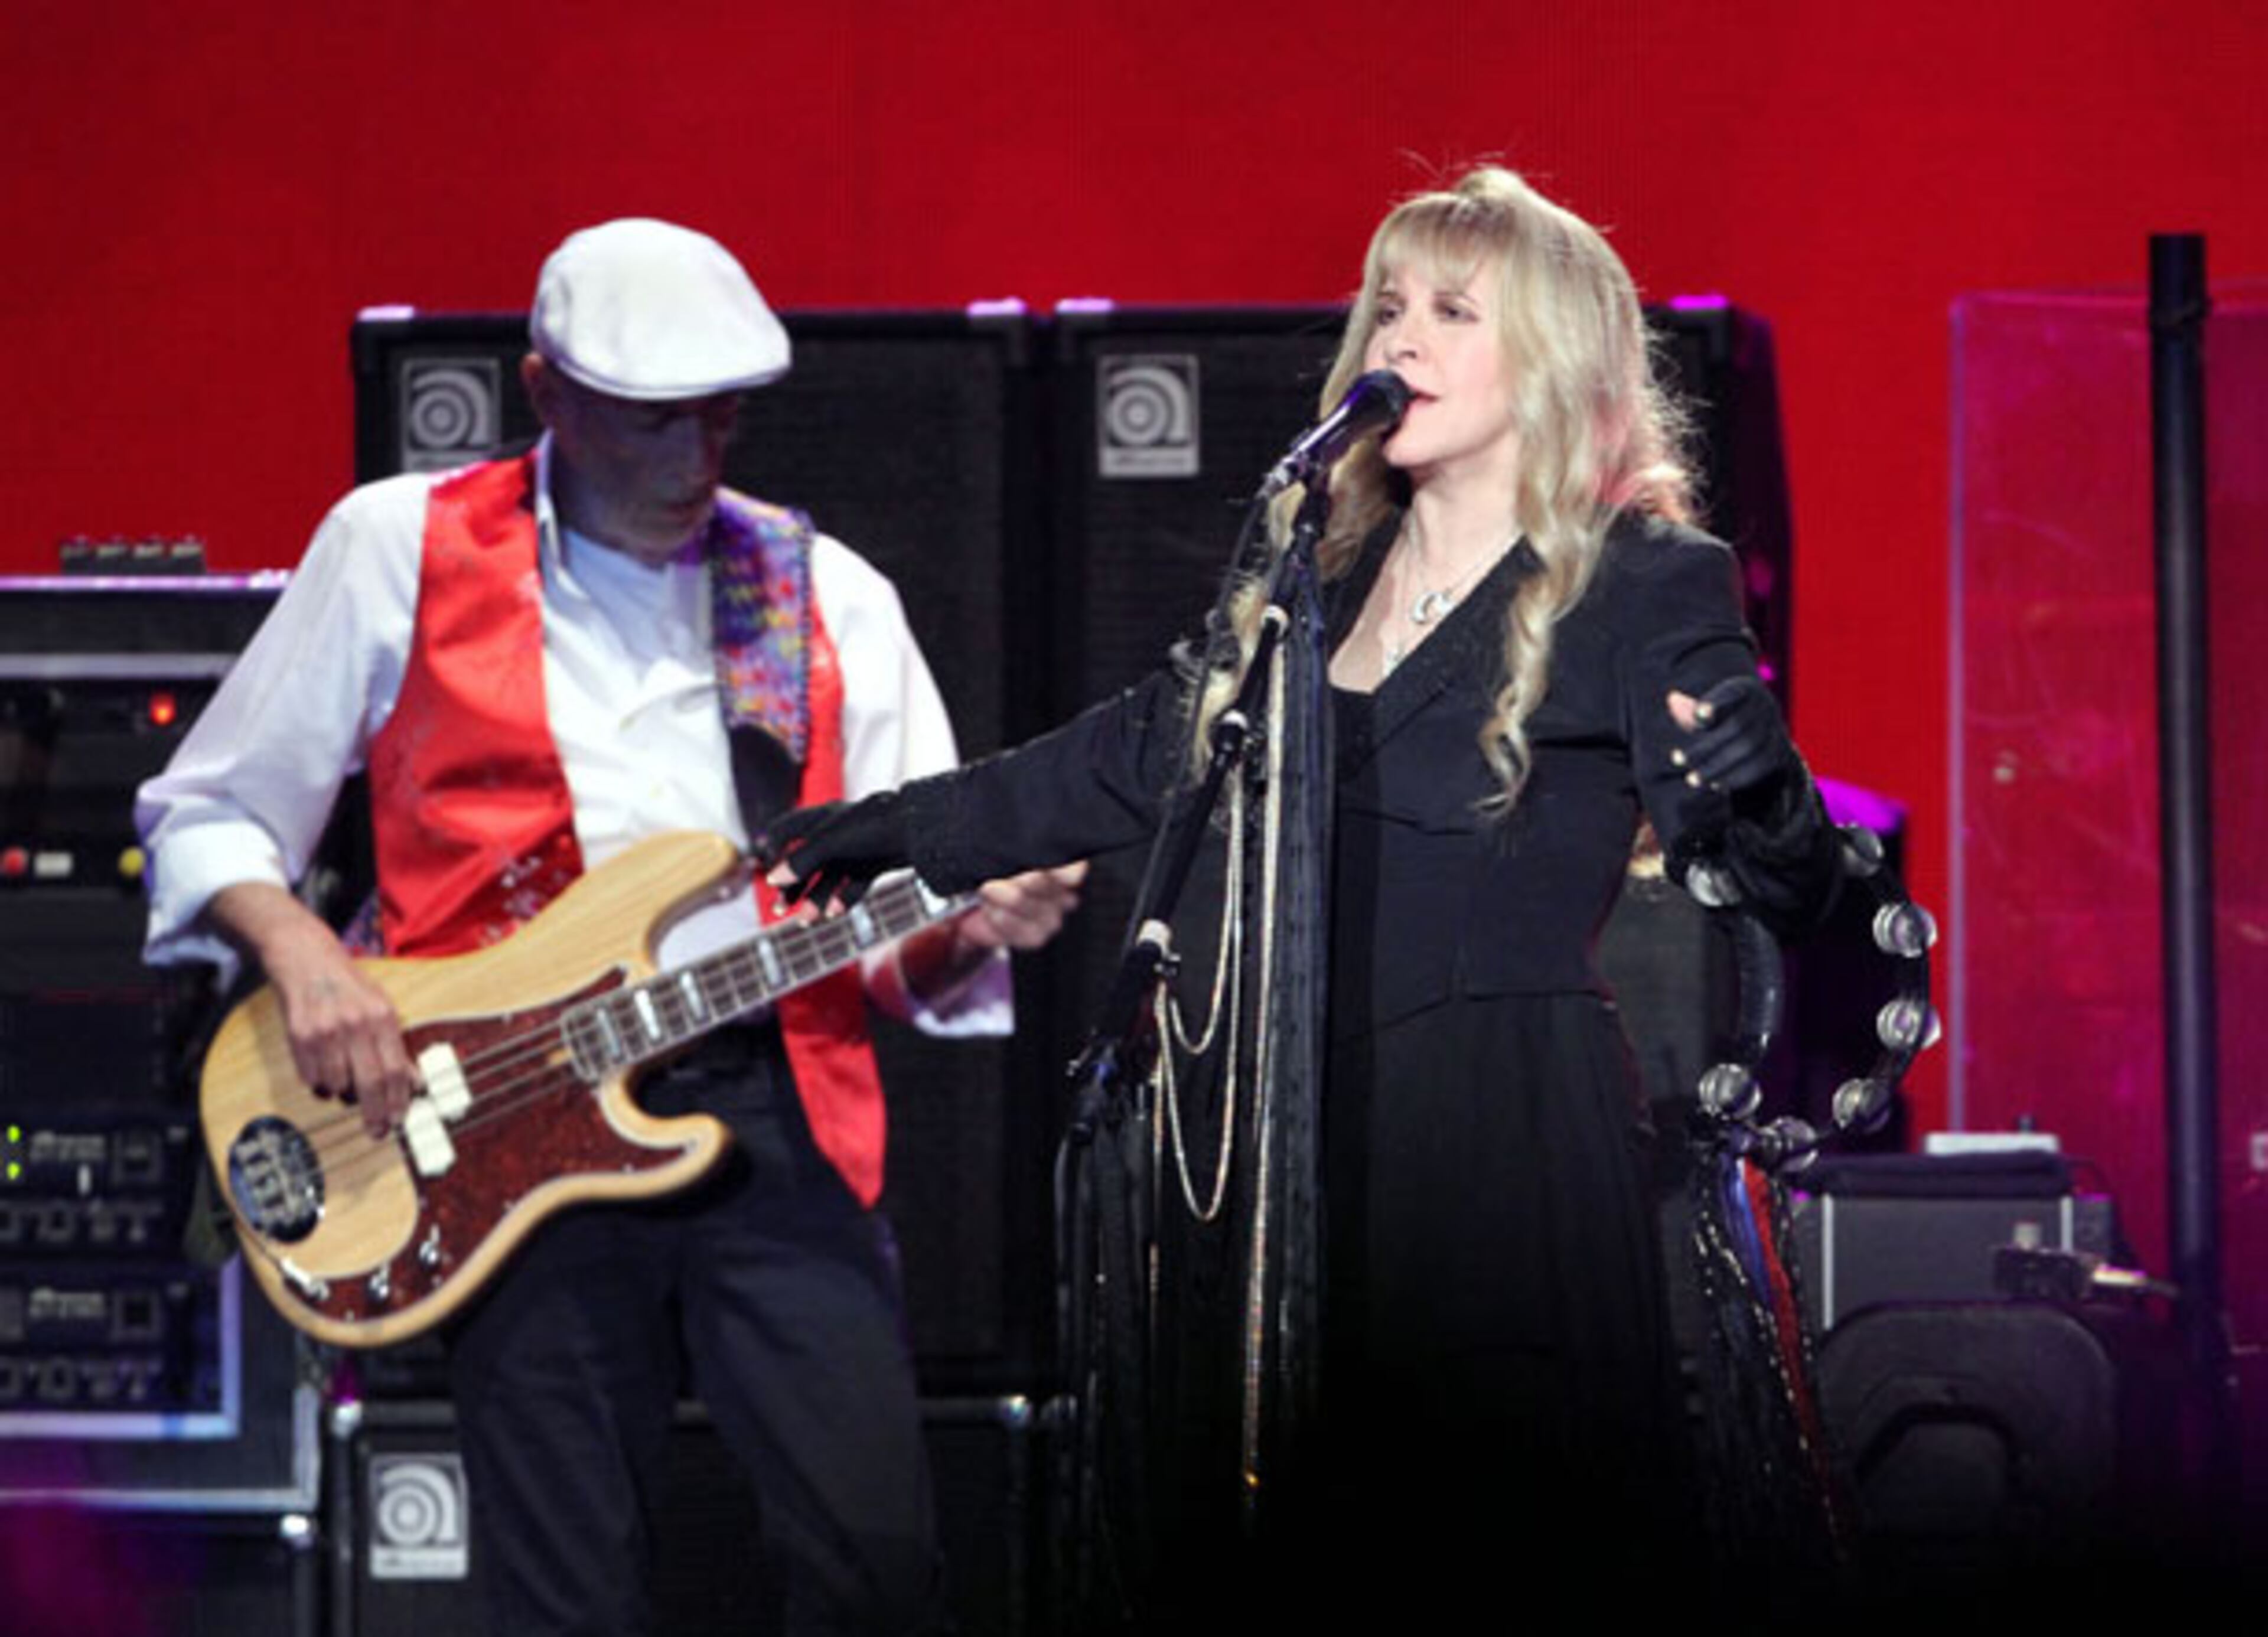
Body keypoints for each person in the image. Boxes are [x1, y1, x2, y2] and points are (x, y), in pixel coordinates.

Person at [764, 167, 1840, 1602]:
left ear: (1554, 360)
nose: (1401, 337)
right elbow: (1139, 749)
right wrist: (901, 826)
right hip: (1302, 1140)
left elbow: (1780, 872)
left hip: (1502, 1136)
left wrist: (1763, 787)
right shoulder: (1314, 590)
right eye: (1389, 305)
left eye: (1454, 312)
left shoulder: (1645, 580)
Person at [136, 218, 1081, 1636]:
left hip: (772, 1111)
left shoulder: (827, 595)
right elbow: (209, 809)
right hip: (494, 1118)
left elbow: (893, 947)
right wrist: (308, 959)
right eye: (651, 422)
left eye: (720, 419)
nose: (695, 459)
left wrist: (978, 918)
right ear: (546, 393)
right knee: (568, 1591)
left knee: (878, 1564)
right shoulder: (398, 549)